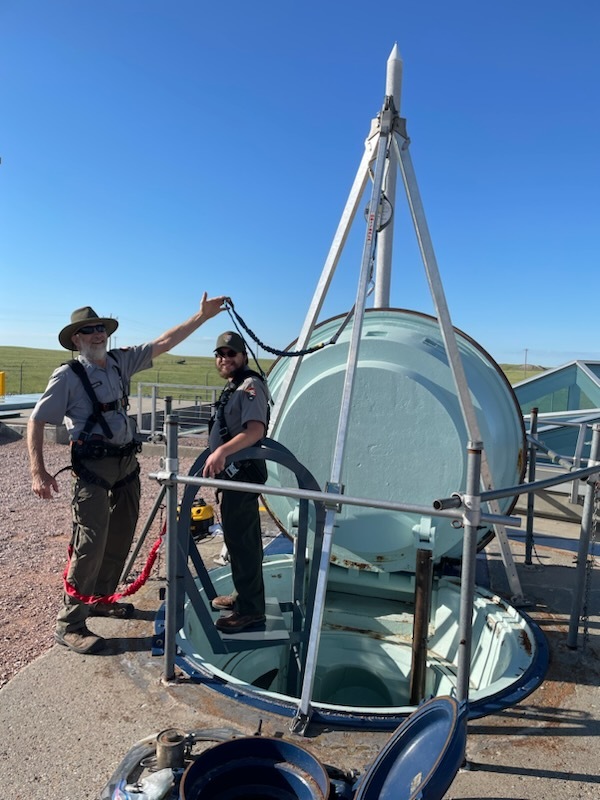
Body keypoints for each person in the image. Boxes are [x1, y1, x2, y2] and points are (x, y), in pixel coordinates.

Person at [27, 293, 226, 655]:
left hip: (127, 466)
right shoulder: (68, 376)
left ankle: (101, 598)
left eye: (100, 327)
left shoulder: (120, 362)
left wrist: (201, 317)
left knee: (120, 537)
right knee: (91, 542)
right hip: (93, 469)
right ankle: (69, 623)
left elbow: (164, 342)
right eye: (88, 331)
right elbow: (37, 420)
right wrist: (38, 471)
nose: (97, 334)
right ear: (76, 339)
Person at [203, 331, 269, 633]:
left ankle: (251, 611)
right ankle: (244, 597)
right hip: (232, 478)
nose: (225, 359)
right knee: (238, 540)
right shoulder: (234, 387)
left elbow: (255, 430)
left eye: (231, 354)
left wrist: (221, 452)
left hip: (242, 475)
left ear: (243, 356)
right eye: (220, 354)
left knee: (243, 543)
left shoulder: (250, 386)